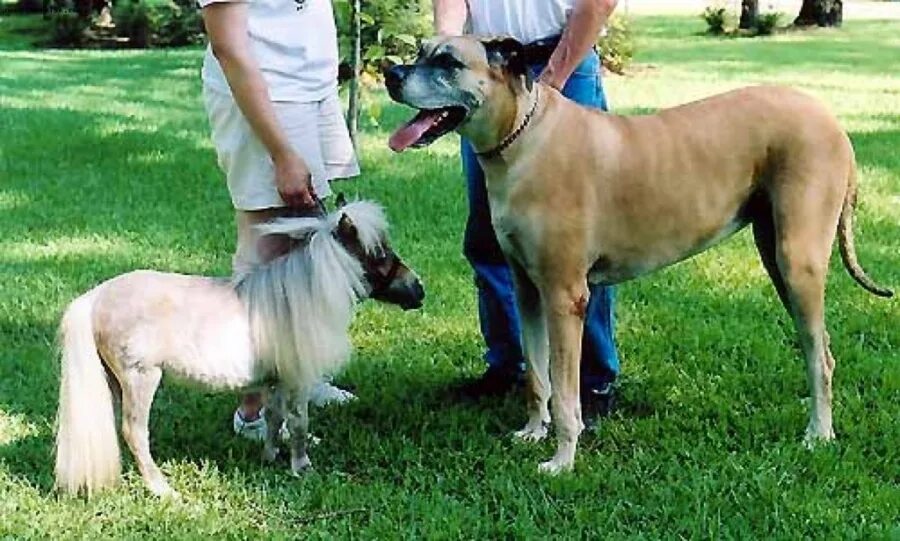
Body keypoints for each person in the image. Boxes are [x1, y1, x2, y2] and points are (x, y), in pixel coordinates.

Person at [432, 0, 622, 419]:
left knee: (576, 248)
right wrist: (447, 43)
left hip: (562, 61)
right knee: (490, 237)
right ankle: (510, 367)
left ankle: (591, 379)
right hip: (485, 75)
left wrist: (551, 80)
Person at [199, 0, 359, 440]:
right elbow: (228, 46)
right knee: (267, 249)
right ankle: (253, 408)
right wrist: (283, 154)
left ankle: (299, 373)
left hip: (311, 88)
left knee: (310, 238)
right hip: (267, 98)